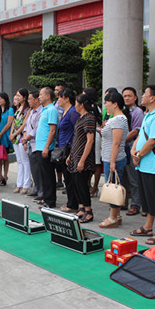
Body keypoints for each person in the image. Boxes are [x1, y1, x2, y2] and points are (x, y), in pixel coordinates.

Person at [130, 85, 155, 245]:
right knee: (147, 198)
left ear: (153, 97)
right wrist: (134, 151)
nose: (143, 96)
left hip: (153, 165)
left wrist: (138, 154)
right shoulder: (149, 114)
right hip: (143, 164)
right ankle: (148, 226)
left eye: (145, 93)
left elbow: (152, 141)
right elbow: (141, 135)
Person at [98, 91, 130, 229]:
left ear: (115, 104)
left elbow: (116, 143)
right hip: (109, 157)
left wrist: (112, 161)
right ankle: (116, 215)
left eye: (107, 103)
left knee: (114, 188)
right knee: (113, 186)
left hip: (114, 159)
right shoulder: (114, 118)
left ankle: (113, 217)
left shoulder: (119, 119)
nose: (105, 106)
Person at [66, 93, 99, 223]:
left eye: (76, 103)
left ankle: (88, 211)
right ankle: (81, 208)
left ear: (81, 105)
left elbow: (90, 141)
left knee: (82, 184)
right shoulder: (81, 118)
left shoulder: (90, 118)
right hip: (75, 155)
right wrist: (70, 155)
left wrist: (82, 160)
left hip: (83, 157)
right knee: (76, 183)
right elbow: (77, 139)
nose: (75, 106)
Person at [34, 87, 60, 208]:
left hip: (46, 148)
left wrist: (46, 147)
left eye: (41, 94)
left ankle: (50, 200)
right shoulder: (44, 110)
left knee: (48, 174)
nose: (39, 97)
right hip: (39, 147)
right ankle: (45, 197)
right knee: (43, 174)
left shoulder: (52, 110)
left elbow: (53, 130)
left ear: (48, 96)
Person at [122, 86, 144, 217]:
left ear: (135, 97)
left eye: (129, 96)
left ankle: (136, 204)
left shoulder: (138, 112)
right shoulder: (123, 112)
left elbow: (136, 131)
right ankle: (122, 202)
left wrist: (120, 140)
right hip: (122, 149)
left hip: (133, 148)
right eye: (124, 96)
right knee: (123, 176)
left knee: (134, 179)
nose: (126, 98)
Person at [56, 88, 79, 213]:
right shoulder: (65, 112)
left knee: (71, 178)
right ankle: (71, 202)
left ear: (66, 99)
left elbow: (77, 132)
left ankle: (73, 204)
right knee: (67, 177)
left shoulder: (73, 112)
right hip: (63, 148)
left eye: (60, 97)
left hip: (70, 148)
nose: (58, 100)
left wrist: (72, 151)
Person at [10, 88, 31, 194]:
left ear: (24, 97)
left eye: (19, 95)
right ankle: (19, 184)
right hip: (15, 137)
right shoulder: (17, 109)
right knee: (19, 161)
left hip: (22, 137)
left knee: (25, 161)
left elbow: (24, 124)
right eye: (16, 95)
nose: (16, 97)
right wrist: (11, 134)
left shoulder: (28, 109)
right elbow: (14, 122)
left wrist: (15, 133)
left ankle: (26, 185)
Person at [22, 91, 43, 198]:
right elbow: (26, 126)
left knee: (39, 169)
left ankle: (41, 192)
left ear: (36, 100)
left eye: (30, 99)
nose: (28, 101)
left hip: (36, 143)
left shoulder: (41, 111)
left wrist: (26, 138)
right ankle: (36, 189)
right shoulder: (31, 111)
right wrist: (25, 137)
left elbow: (36, 129)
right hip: (30, 143)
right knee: (33, 169)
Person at [84, 87, 103, 198]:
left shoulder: (95, 108)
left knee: (95, 162)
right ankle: (88, 184)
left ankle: (95, 186)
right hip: (87, 136)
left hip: (94, 136)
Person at [0, 92, 14, 186]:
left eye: (0, 98)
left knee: (5, 158)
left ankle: (5, 176)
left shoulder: (10, 110)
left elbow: (9, 123)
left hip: (5, 136)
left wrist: (2, 133)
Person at [53, 82, 66, 189]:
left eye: (58, 90)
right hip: (55, 135)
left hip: (62, 134)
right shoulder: (54, 103)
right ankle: (58, 181)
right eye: (55, 90)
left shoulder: (65, 105)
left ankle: (63, 181)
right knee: (56, 158)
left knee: (62, 158)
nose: (56, 92)